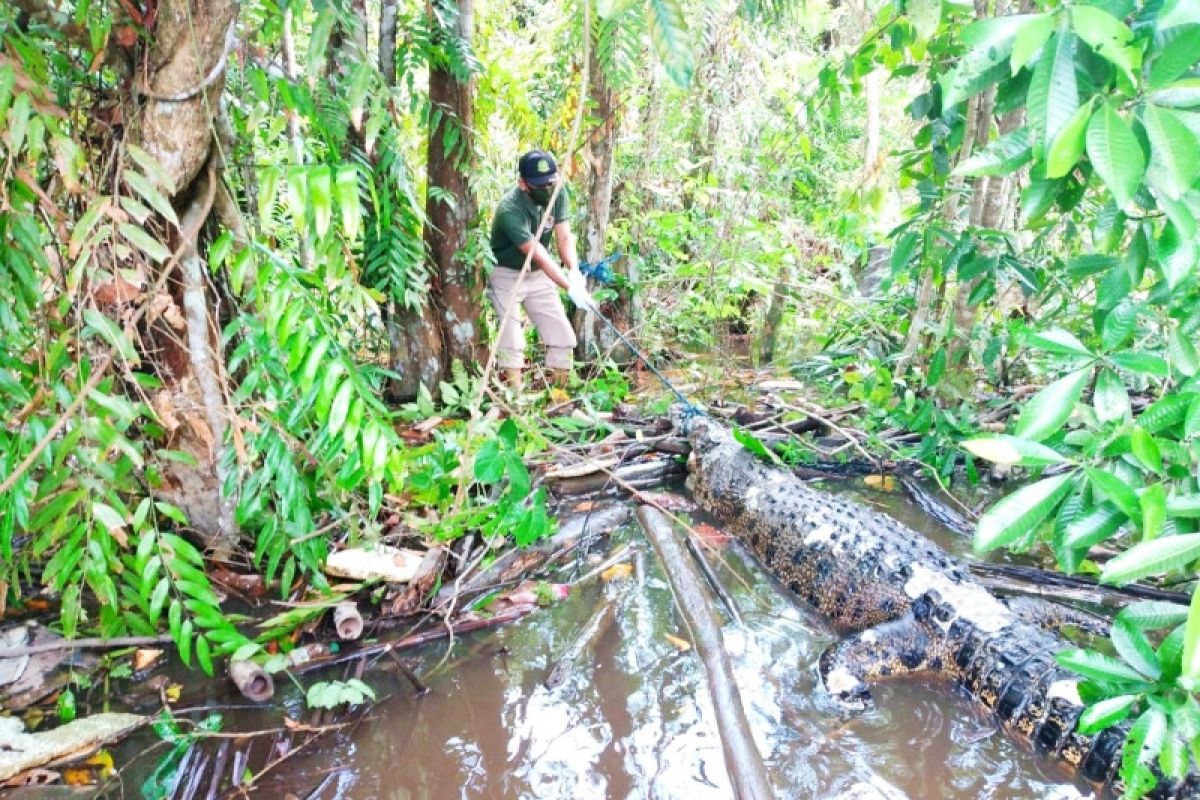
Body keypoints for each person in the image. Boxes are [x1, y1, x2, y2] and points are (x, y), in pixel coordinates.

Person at [488, 149, 595, 389]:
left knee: (563, 336)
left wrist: (574, 271)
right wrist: (569, 288)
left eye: (551, 183)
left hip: (538, 275)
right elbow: (539, 254)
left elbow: (564, 237)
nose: (547, 189)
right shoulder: (510, 210)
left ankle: (559, 395)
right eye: (540, 185)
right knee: (512, 341)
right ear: (523, 184)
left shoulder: (558, 192)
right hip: (507, 274)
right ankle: (516, 399)